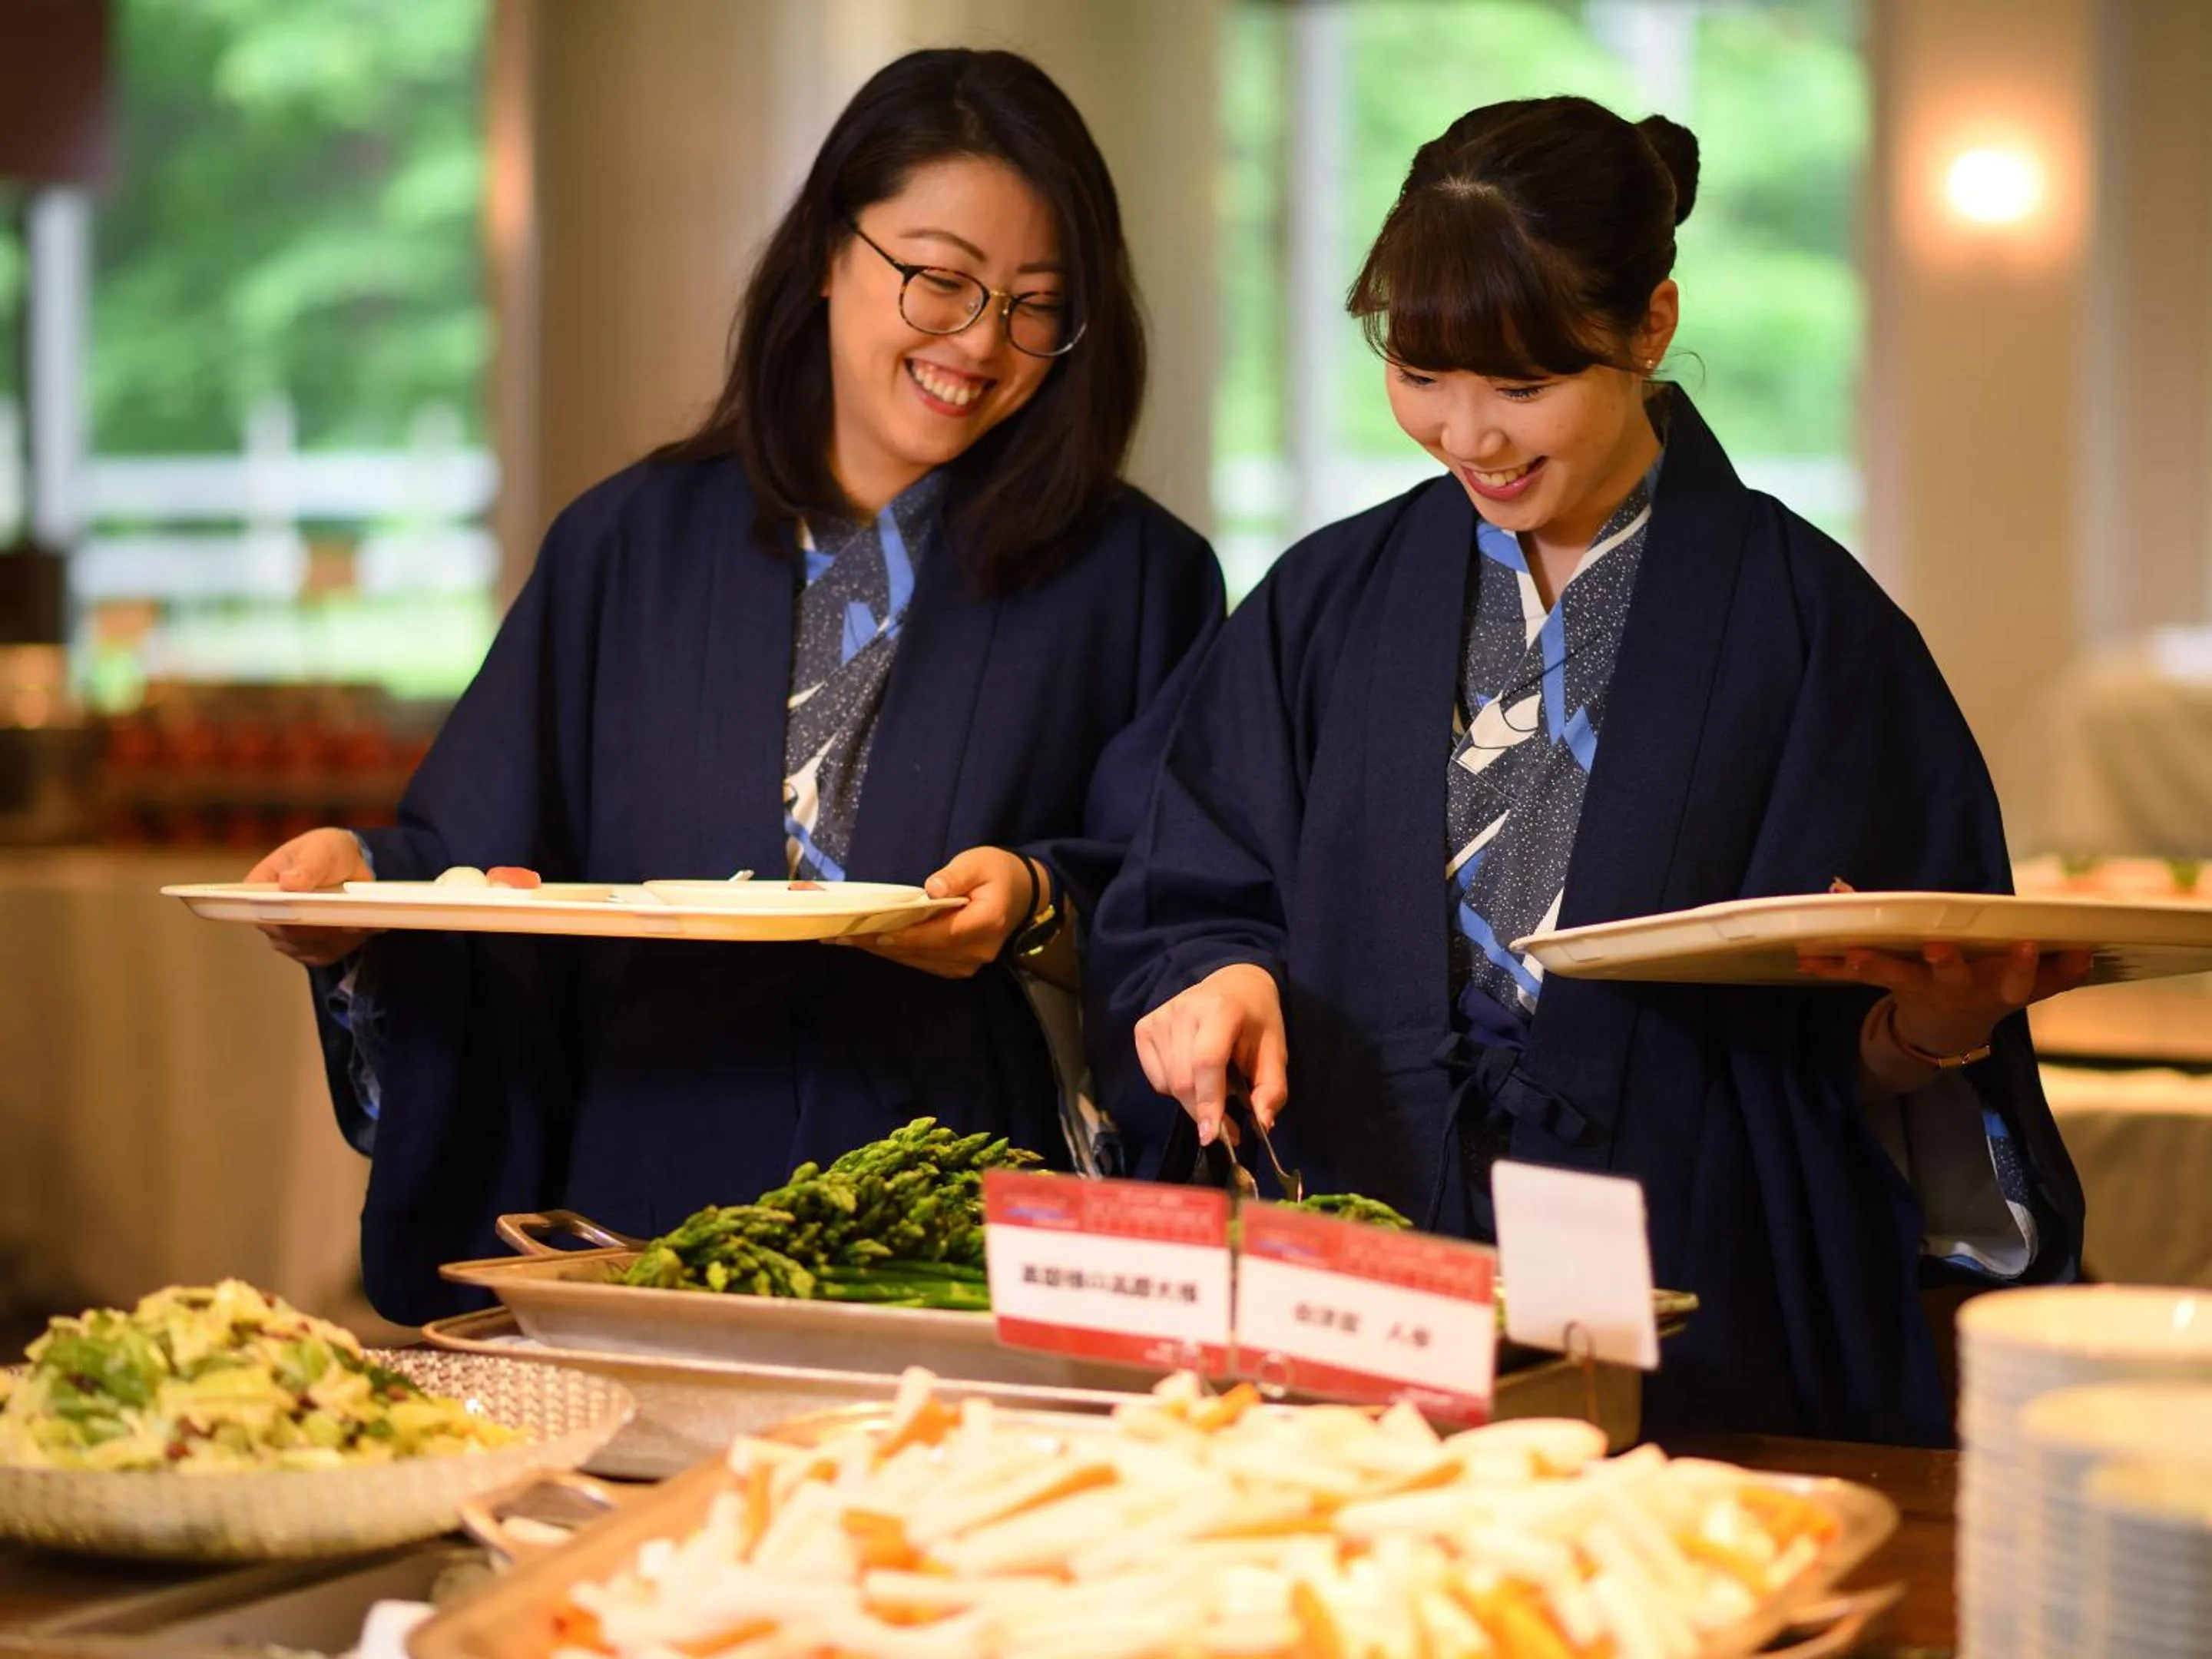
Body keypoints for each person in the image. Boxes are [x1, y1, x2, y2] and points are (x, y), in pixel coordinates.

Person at [1089, 96, 2085, 1444]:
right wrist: (1221, 980)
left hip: (1688, 1285)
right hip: (1353, 1273)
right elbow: (1189, 889)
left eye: (1522, 383)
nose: (1467, 435)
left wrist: (1935, 1029)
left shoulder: (1813, 626)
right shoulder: (1327, 599)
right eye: (1423, 374)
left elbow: (1876, 1028)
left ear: (1651, 327)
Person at [248, 48, 1224, 1324]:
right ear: (829, 250)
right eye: (939, 280)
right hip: (637, 1218)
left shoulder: (1138, 579)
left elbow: (1192, 903)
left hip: (964, 1254)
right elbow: (474, 869)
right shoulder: (628, 545)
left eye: (1036, 303)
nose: (980, 343)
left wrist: (1038, 909)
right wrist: (360, 904)